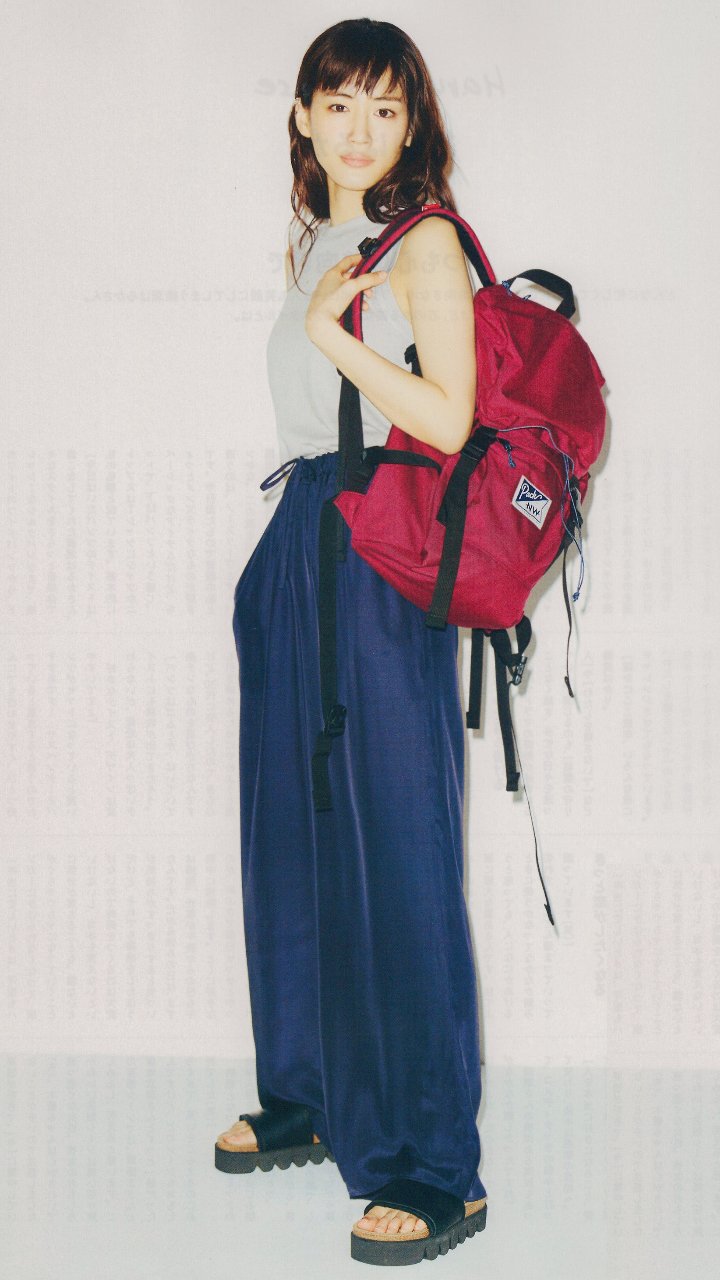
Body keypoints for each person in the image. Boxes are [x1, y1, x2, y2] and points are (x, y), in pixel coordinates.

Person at [215, 17, 488, 1264]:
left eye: (386, 106)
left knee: (401, 844)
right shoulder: (313, 240)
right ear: (304, 117)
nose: (361, 129)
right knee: (288, 826)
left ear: (412, 121)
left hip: (381, 551)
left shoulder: (422, 241)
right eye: (340, 104)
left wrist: (333, 336)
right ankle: (313, 1092)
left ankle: (438, 1166)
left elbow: (450, 415)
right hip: (300, 537)